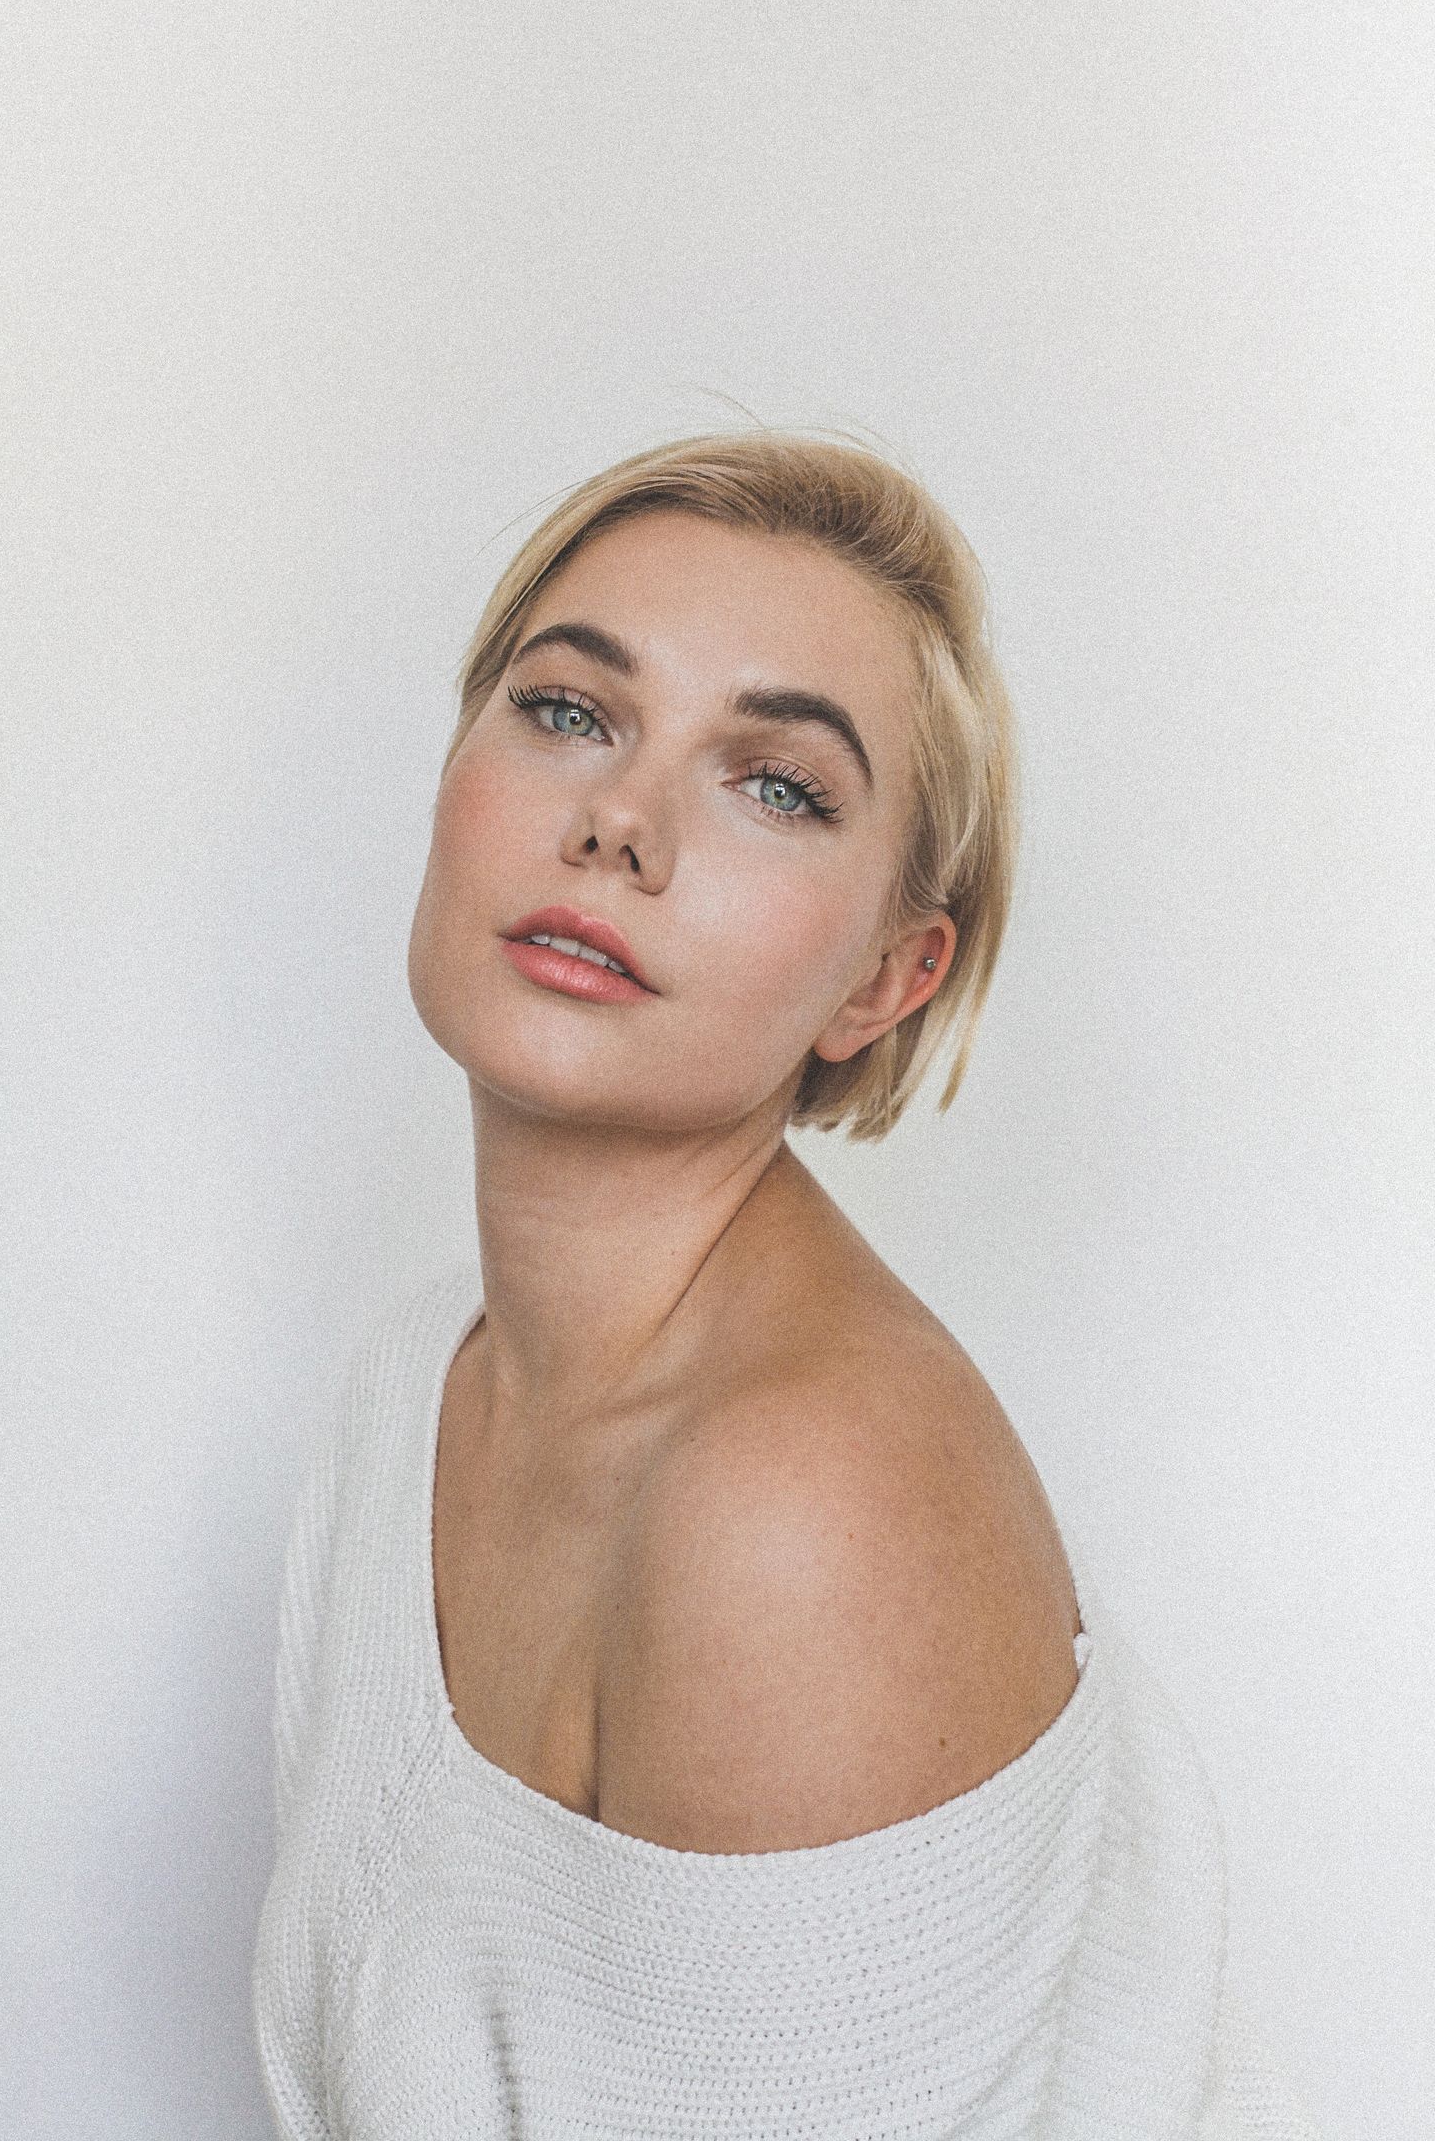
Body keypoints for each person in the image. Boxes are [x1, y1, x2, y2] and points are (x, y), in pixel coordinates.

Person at [251, 429, 1322, 2137]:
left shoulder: (806, 1501)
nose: (620, 823)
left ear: (887, 980)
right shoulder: (420, 1384)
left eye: (779, 788)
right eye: (569, 710)